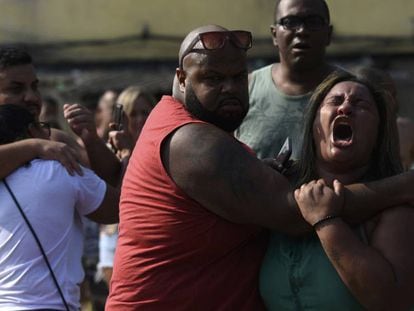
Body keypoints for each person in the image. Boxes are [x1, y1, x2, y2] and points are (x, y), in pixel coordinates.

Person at [106, 24, 414, 310]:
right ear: (182, 78)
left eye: (239, 77)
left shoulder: (395, 216)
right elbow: (297, 212)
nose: (230, 88)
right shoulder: (192, 141)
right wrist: (403, 186)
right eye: (213, 78)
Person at [260, 71, 414, 310]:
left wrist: (326, 222)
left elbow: (391, 301)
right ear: (313, 124)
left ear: (378, 134)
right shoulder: (280, 187)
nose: (345, 108)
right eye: (335, 101)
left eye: (361, 105)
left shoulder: (395, 210)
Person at [0, 104, 119, 310]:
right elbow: (119, 208)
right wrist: (126, 157)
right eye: (44, 128)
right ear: (32, 132)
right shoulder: (59, 169)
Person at [0, 46, 122, 186]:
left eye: (34, 87)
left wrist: (91, 139)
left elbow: (111, 182)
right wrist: (35, 147)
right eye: (16, 89)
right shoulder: (45, 144)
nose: (32, 97)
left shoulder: (56, 139)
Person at [236, 0, 340, 160]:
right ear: (274, 34)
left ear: (328, 34)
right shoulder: (244, 89)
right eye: (290, 22)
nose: (302, 31)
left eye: (313, 22)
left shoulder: (353, 94)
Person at [99, 85, 156, 286]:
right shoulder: (108, 152)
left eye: (145, 112)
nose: (140, 119)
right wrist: (126, 155)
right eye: (133, 113)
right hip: (116, 236)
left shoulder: (164, 150)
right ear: (122, 118)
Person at [352, 66, 414, 171]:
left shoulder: (406, 130)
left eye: (395, 96)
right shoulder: (345, 143)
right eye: (390, 96)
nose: (396, 104)